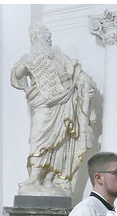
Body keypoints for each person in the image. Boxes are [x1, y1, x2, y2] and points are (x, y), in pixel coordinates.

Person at [10, 23, 98, 197]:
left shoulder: (60, 57)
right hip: (42, 104)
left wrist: (84, 83)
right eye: (42, 36)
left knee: (60, 145)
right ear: (34, 39)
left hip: (63, 105)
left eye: (47, 36)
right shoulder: (28, 58)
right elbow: (16, 77)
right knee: (38, 139)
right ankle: (34, 179)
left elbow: (82, 77)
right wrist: (23, 67)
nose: (46, 39)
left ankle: (49, 180)